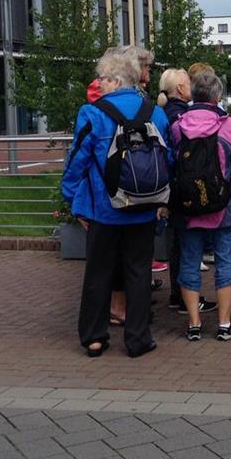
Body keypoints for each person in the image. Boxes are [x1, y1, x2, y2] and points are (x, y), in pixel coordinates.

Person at [60, 47, 167, 358]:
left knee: (98, 272)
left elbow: (77, 160)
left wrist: (71, 197)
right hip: (144, 206)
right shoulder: (155, 113)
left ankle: (94, 337)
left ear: (117, 80)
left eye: (103, 78)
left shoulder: (93, 113)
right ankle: (138, 338)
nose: (100, 83)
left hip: (104, 208)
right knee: (138, 273)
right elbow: (169, 157)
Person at [170, 72, 231, 341]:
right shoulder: (228, 126)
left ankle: (194, 324)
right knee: (226, 260)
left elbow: (173, 161)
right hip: (223, 204)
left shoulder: (178, 126)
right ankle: (224, 324)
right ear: (217, 96)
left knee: (189, 260)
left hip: (188, 204)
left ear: (193, 94)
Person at [157, 68, 218, 315]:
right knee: (184, 244)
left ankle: (178, 295)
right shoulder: (180, 116)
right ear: (180, 89)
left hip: (171, 184)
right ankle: (185, 297)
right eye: (187, 83)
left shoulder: (164, 112)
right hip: (182, 184)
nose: (191, 86)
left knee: (177, 243)